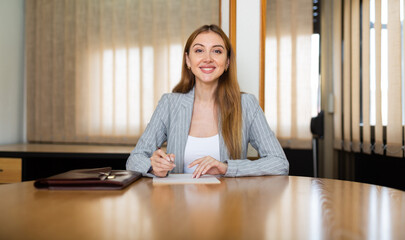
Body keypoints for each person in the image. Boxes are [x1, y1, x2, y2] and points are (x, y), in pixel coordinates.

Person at [126, 24, 289, 178]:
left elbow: (280, 163)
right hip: (177, 204)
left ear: (227, 62)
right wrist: (153, 167)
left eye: (217, 51)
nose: (207, 58)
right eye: (199, 50)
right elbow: (134, 160)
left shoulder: (246, 104)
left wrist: (226, 168)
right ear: (188, 60)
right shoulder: (169, 104)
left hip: (229, 204)